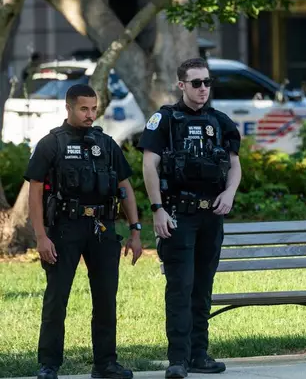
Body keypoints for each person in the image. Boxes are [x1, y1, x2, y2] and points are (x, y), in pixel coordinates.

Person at [25, 84, 143, 379]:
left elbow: (125, 187)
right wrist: (41, 236)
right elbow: (35, 193)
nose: (90, 114)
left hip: (102, 228)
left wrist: (135, 230)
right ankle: (49, 364)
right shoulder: (51, 144)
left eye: (93, 108)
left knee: (106, 298)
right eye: (83, 109)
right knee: (57, 298)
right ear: (69, 108)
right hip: (64, 228)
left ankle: (105, 364)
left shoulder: (105, 144)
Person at [138, 58, 242, 378]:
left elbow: (235, 165)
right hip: (178, 216)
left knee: (202, 288)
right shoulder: (165, 120)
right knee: (180, 287)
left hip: (212, 215)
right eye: (196, 83)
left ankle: (200, 354)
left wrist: (229, 193)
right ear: (182, 85)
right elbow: (149, 166)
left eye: (207, 82)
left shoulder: (221, 121)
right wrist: (157, 209)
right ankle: (177, 360)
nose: (203, 89)